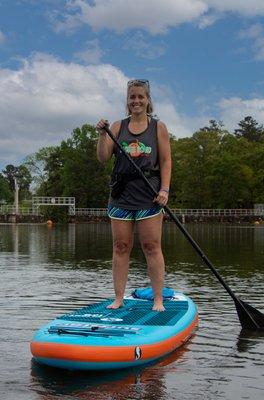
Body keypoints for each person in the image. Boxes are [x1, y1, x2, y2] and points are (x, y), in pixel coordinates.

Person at [95, 79, 171, 311]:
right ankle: (118, 299)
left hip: (149, 194)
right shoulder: (117, 127)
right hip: (122, 196)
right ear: (127, 102)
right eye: (132, 97)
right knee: (120, 246)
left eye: (140, 97)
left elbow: (166, 161)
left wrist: (165, 189)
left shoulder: (158, 127)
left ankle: (158, 300)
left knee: (151, 246)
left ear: (148, 100)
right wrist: (101, 135)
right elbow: (103, 157)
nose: (136, 101)